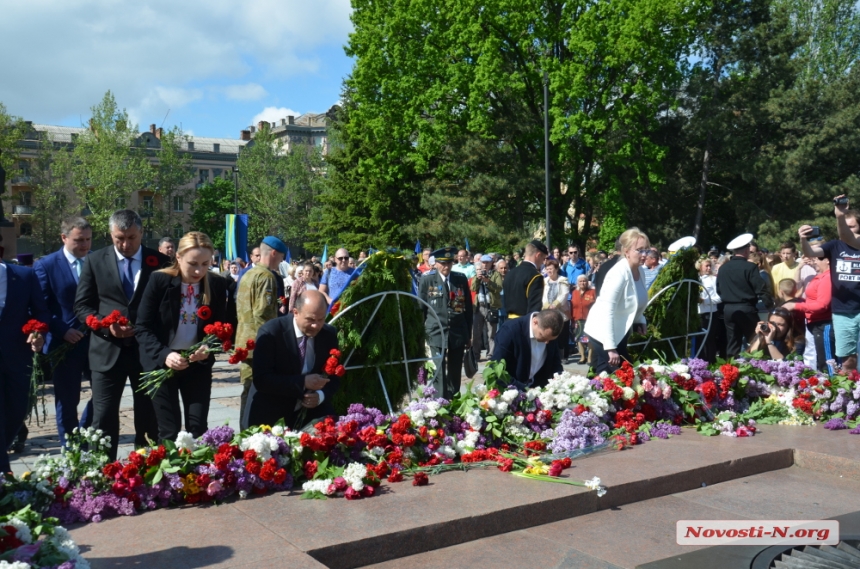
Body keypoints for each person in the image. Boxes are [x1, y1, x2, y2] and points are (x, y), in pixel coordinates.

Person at [73, 210, 169, 460]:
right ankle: (104, 472)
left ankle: (147, 470)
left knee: (148, 415)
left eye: (132, 238)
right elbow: (82, 306)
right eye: (119, 238)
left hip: (145, 352)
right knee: (103, 415)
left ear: (142, 233)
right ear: (110, 234)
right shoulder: (95, 261)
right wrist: (106, 326)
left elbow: (167, 309)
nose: (125, 244)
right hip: (106, 350)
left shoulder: (159, 262)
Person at [135, 232, 231, 442]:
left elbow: (221, 328)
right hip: (162, 364)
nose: (199, 270)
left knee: (198, 428)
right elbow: (142, 327)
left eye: (205, 263)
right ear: (178, 257)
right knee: (169, 430)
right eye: (193, 263)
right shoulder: (160, 280)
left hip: (196, 365)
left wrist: (208, 348)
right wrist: (164, 355)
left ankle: (198, 474)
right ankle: (172, 473)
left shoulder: (215, 284)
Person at [33, 217, 94, 447]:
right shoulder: (46, 265)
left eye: (88, 239)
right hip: (63, 343)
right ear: (64, 238)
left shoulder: (95, 261)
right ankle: (70, 446)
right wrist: (62, 330)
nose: (85, 245)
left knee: (103, 392)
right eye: (79, 240)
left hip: (95, 340)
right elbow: (41, 307)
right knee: (68, 399)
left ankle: (86, 433)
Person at [246, 290, 338, 429]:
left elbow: (335, 376)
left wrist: (320, 396)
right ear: (295, 312)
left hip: (311, 414)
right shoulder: (271, 332)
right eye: (311, 320)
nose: (316, 325)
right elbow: (262, 379)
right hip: (271, 415)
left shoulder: (328, 334)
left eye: (321, 319)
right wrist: (302, 382)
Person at [0, 232, 49, 472]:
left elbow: (40, 313)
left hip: (17, 357)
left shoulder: (23, 275)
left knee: (17, 411)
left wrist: (39, 333)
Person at [235, 237, 287, 429]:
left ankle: (244, 430)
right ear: (273, 253)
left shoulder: (248, 274)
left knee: (248, 391)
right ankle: (250, 432)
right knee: (257, 393)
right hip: (258, 344)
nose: (281, 262)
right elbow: (263, 314)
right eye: (281, 257)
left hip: (244, 342)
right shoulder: (266, 277)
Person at [584, 228, 650, 374]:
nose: (644, 255)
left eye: (646, 250)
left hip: (619, 332)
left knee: (603, 376)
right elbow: (607, 311)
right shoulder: (618, 273)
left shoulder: (640, 271)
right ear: (626, 251)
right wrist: (610, 348)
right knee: (625, 376)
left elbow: (637, 300)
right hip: (602, 333)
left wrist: (640, 320)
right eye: (639, 250)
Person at [418, 247, 473, 400]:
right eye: (442, 263)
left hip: (457, 331)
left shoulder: (460, 278)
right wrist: (421, 336)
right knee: (439, 370)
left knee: (455, 370)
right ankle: (440, 402)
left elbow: (468, 308)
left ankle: (454, 401)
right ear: (435, 263)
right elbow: (421, 309)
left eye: (449, 263)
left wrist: (468, 334)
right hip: (436, 331)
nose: (446, 267)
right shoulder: (427, 279)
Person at [716, 234, 771, 357]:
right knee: (756, 340)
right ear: (746, 250)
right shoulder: (750, 267)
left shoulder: (723, 268)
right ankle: (758, 370)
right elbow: (761, 289)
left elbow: (719, 290)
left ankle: (731, 371)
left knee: (732, 343)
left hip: (728, 309)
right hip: (746, 308)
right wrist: (769, 306)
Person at [782, 254, 836, 373]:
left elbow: (822, 305)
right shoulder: (820, 276)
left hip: (824, 324)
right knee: (819, 360)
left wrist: (795, 305)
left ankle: (834, 387)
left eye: (816, 259)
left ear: (827, 260)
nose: (814, 261)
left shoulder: (827, 277)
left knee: (827, 362)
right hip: (815, 324)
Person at [492, 309, 565, 389]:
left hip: (538, 388)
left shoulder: (549, 333)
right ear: (535, 322)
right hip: (510, 389)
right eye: (543, 336)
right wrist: (524, 389)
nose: (547, 342)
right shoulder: (510, 330)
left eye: (551, 340)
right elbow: (496, 370)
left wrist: (558, 377)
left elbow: (555, 362)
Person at [502, 240, 548, 320]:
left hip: (508, 323)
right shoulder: (535, 276)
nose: (543, 262)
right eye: (543, 258)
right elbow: (534, 310)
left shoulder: (510, 274)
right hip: (524, 324)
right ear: (538, 255)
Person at [470, 254, 501, 361]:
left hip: (491, 306)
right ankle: (476, 355)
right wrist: (478, 279)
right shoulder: (477, 273)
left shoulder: (496, 274)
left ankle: (490, 355)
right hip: (479, 307)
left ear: (491, 263)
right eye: (483, 262)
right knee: (477, 332)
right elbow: (473, 288)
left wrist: (488, 282)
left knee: (491, 333)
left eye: (487, 262)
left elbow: (499, 288)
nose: (485, 265)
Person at [696, 258, 726, 363]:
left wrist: (706, 300)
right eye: (706, 266)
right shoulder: (696, 278)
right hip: (697, 314)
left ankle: (710, 361)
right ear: (699, 267)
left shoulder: (713, 279)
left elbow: (720, 297)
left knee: (709, 339)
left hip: (710, 312)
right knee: (699, 339)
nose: (708, 268)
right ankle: (699, 361)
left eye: (710, 266)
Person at [542, 259, 571, 362]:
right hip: (547, 312)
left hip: (561, 312)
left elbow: (564, 294)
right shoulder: (544, 281)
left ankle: (563, 356)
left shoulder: (563, 280)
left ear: (557, 269)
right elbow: (543, 295)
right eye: (547, 268)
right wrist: (547, 305)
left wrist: (554, 304)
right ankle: (551, 356)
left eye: (551, 268)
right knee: (550, 334)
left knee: (562, 335)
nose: (549, 271)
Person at [570, 274, 596, 365]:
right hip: (577, 318)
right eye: (580, 281)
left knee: (589, 339)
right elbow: (572, 306)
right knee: (579, 339)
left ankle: (589, 358)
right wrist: (572, 319)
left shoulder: (592, 292)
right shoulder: (574, 292)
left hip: (590, 319)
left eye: (584, 281)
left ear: (587, 282)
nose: (582, 283)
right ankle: (582, 357)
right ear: (578, 282)